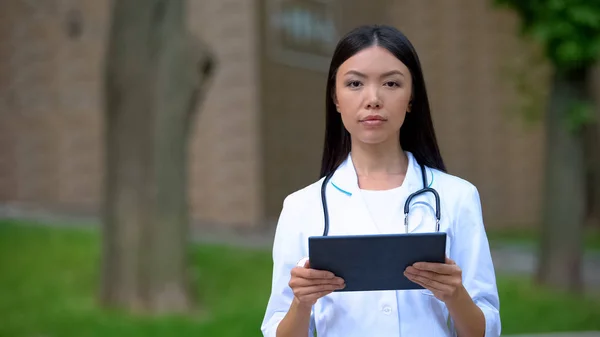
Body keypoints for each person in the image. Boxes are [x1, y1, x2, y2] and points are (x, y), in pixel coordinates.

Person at [260, 24, 500, 337]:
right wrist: (302, 304)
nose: (373, 99)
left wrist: (454, 294)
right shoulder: (300, 207)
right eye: (355, 83)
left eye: (391, 83)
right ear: (335, 97)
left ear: (412, 97)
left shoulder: (457, 197)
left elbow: (485, 331)